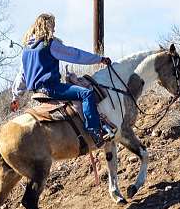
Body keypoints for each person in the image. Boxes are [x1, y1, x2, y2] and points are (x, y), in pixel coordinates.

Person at [10, 13, 111, 145]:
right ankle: (95, 132)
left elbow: (21, 76)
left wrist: (16, 97)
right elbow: (75, 55)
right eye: (52, 26)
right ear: (46, 26)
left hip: (36, 92)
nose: (54, 29)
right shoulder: (50, 44)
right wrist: (99, 59)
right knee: (86, 93)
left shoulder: (26, 50)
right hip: (51, 89)